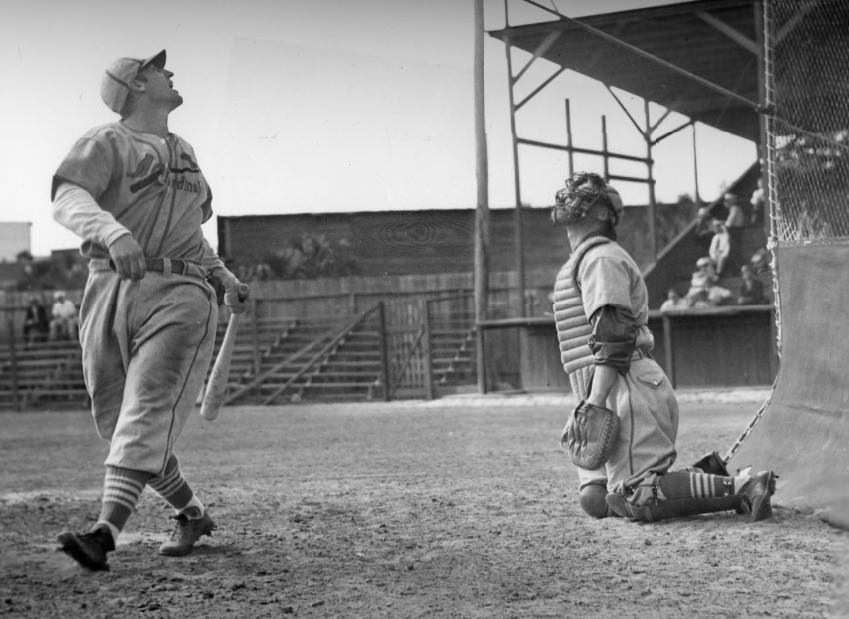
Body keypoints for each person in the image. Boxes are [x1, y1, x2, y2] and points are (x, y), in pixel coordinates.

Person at [50, 49, 249, 571]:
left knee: (144, 411)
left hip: (179, 293)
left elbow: (191, 233)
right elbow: (68, 198)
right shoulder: (106, 142)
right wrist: (112, 232)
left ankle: (103, 532)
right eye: (158, 69)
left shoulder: (186, 151)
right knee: (118, 423)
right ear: (135, 84)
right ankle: (191, 512)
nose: (171, 72)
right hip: (109, 286)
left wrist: (221, 275)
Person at [550, 171, 776, 522]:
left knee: (639, 496)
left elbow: (613, 336)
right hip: (603, 384)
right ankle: (700, 477)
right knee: (597, 500)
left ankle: (745, 487)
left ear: (603, 213)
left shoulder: (601, 258)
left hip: (624, 382)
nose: (571, 196)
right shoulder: (584, 258)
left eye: (588, 194)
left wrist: (595, 400)